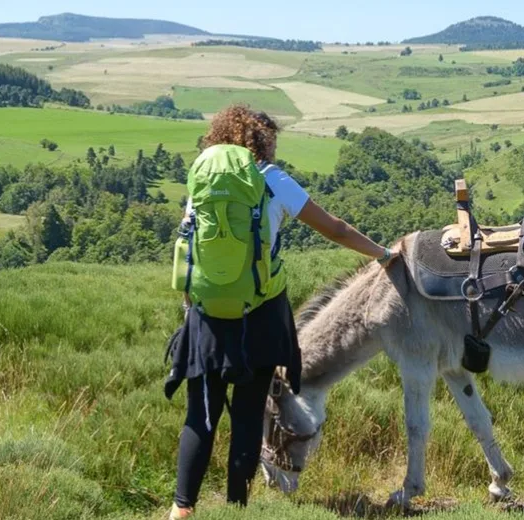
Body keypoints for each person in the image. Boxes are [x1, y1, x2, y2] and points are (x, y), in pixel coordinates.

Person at [168, 105, 398, 519]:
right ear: (263, 140)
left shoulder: (202, 178)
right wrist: (382, 253)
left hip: (205, 315)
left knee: (200, 418)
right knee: (246, 415)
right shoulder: (271, 180)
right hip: (258, 312)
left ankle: (181, 509)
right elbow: (335, 228)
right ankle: (237, 509)